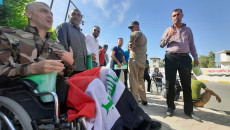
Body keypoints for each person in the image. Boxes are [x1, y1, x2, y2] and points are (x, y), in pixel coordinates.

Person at [0, 2, 162, 130]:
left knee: (106, 73)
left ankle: (139, 122)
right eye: (44, 11)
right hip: (31, 90)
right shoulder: (9, 35)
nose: (49, 15)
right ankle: (115, 125)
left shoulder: (54, 44)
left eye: (50, 12)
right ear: (29, 14)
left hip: (62, 84)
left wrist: (70, 63)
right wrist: (32, 69)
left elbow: (66, 72)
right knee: (94, 84)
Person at [160, 8, 201, 121]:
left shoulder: (188, 30)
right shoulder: (168, 29)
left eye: (178, 14)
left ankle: (189, 110)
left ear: (182, 15)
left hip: (185, 59)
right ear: (171, 18)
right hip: (170, 58)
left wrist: (195, 57)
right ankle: (170, 107)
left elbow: (192, 45)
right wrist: (169, 36)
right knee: (170, 84)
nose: (176, 17)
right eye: (173, 15)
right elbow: (161, 44)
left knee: (187, 85)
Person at [56, 8, 87, 75]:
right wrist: (69, 66)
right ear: (69, 16)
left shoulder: (82, 35)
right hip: (70, 69)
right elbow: (61, 48)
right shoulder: (64, 26)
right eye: (73, 14)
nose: (76, 16)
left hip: (83, 69)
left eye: (78, 15)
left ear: (81, 18)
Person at [128, 21, 148, 105]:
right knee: (140, 80)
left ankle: (134, 101)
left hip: (134, 60)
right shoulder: (144, 36)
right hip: (142, 61)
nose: (131, 30)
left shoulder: (136, 33)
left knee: (133, 80)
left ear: (136, 26)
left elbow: (133, 35)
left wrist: (130, 45)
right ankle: (144, 99)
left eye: (132, 28)